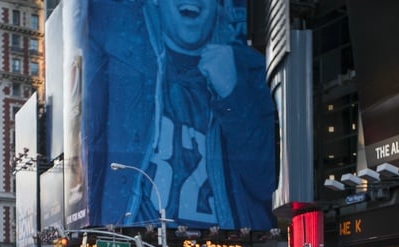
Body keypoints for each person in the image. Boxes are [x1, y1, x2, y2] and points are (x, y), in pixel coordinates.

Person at [86, 0, 276, 231]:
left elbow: (267, 183)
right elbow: (88, 156)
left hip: (228, 246)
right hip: (135, 241)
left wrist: (232, 95)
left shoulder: (253, 67)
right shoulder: (118, 49)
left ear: (220, 4)